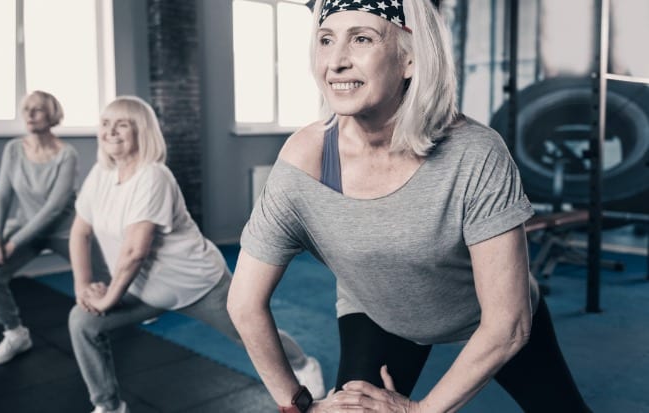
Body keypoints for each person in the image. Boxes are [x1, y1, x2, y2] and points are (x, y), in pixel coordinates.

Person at [227, 1, 592, 412]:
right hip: (379, 314)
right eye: (326, 40)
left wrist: (419, 410)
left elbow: (506, 325)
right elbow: (243, 302)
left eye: (362, 38)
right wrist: (297, 405)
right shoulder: (306, 160)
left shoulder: (474, 153)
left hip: (485, 318)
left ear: (410, 59)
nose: (336, 61)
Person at [67, 96, 325, 413]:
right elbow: (80, 232)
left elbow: (135, 251)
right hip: (141, 289)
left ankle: (303, 363)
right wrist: (82, 287)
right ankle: (108, 405)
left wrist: (107, 300)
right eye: (106, 124)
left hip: (197, 284)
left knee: (249, 335)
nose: (111, 132)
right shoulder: (100, 175)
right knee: (83, 322)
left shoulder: (153, 176)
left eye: (122, 124)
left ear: (142, 132)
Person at [0, 90, 89, 366]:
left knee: (103, 276)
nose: (29, 114)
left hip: (67, 230)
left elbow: (53, 209)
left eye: (37, 109)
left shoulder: (67, 155)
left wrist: (12, 244)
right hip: (29, 228)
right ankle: (16, 334)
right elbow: (3, 195)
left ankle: (134, 306)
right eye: (26, 108)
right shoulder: (14, 149)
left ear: (52, 116)